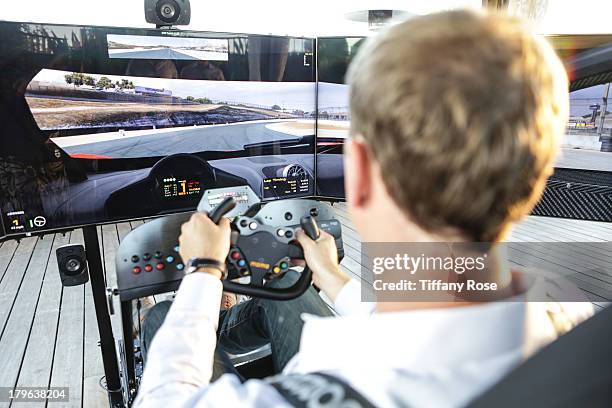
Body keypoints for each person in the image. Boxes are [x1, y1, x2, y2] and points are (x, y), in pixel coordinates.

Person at [134, 10, 592, 408]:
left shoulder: (339, 385)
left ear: (363, 174)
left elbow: (166, 396)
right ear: (536, 174)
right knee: (293, 294)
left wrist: (204, 269)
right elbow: (437, 332)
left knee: (158, 317)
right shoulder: (569, 313)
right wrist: (331, 276)